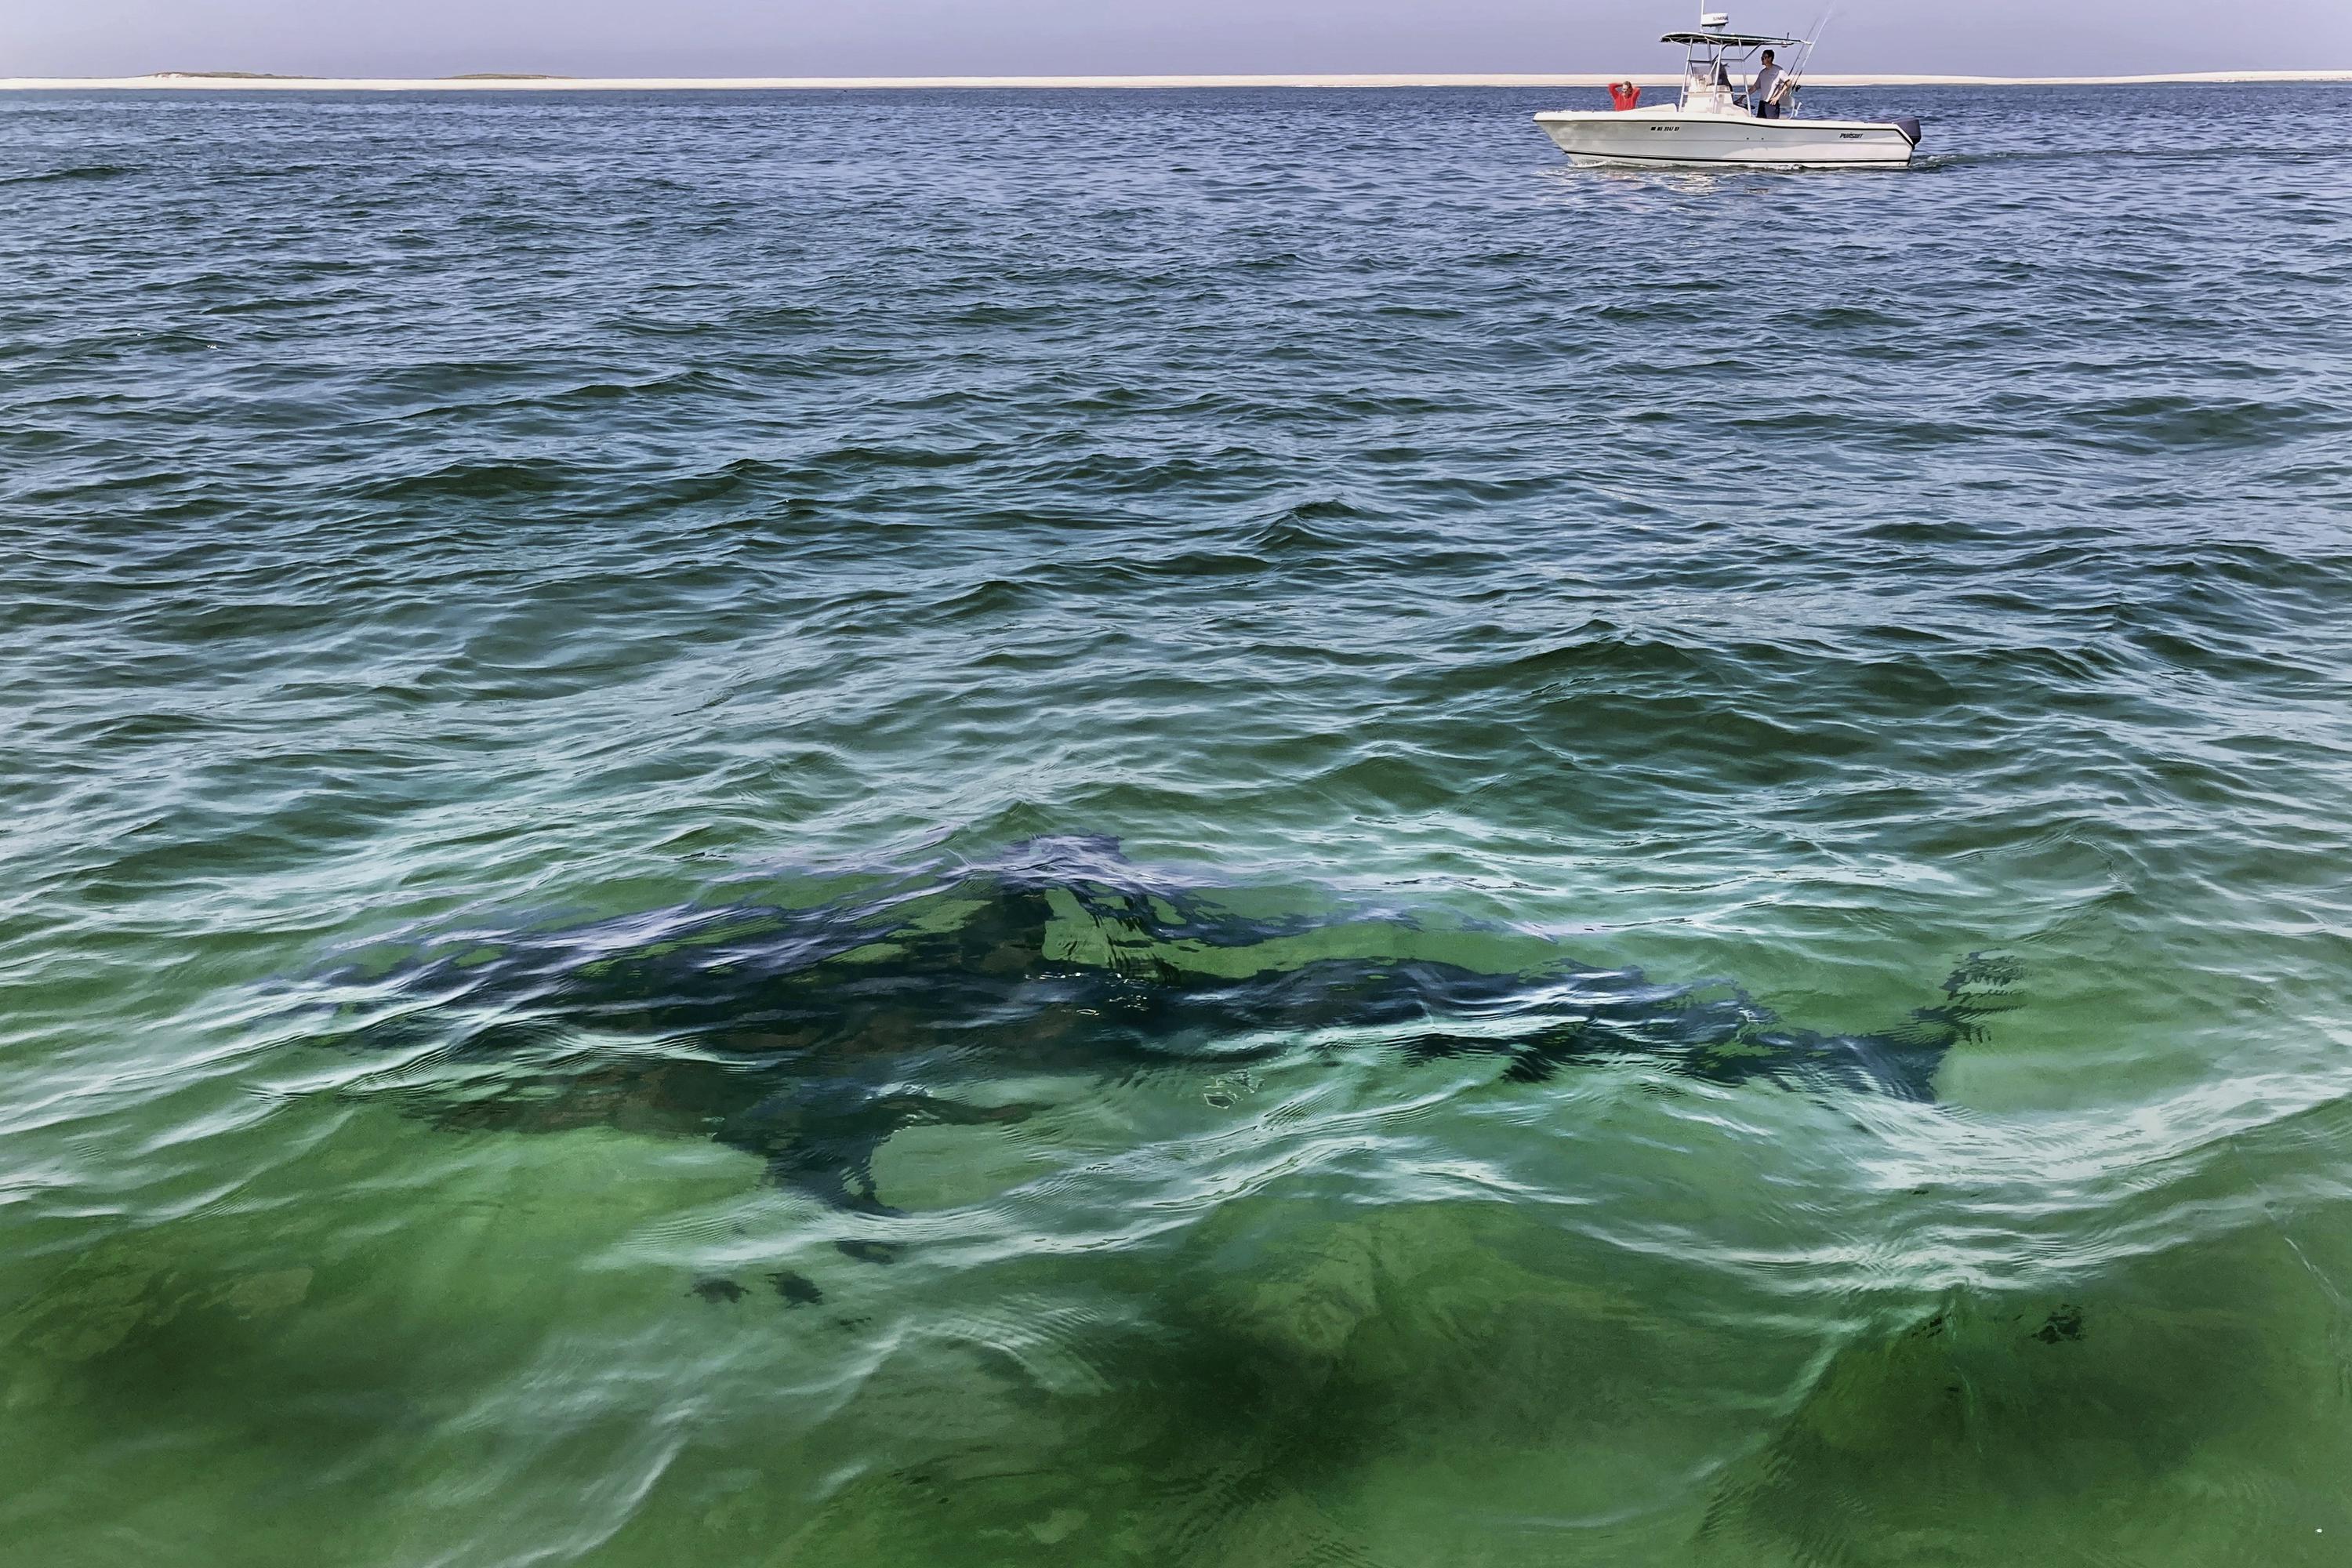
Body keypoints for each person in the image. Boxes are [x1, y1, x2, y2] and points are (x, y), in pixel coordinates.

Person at [1750, 49, 1788, 118]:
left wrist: (1777, 96)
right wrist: (1743, 96)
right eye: (1762, 58)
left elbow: (1788, 82)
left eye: (1764, 58)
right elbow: (1755, 87)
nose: (1762, 59)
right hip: (1762, 103)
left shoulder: (1778, 70)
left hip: (1772, 104)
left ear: (1770, 58)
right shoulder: (1762, 73)